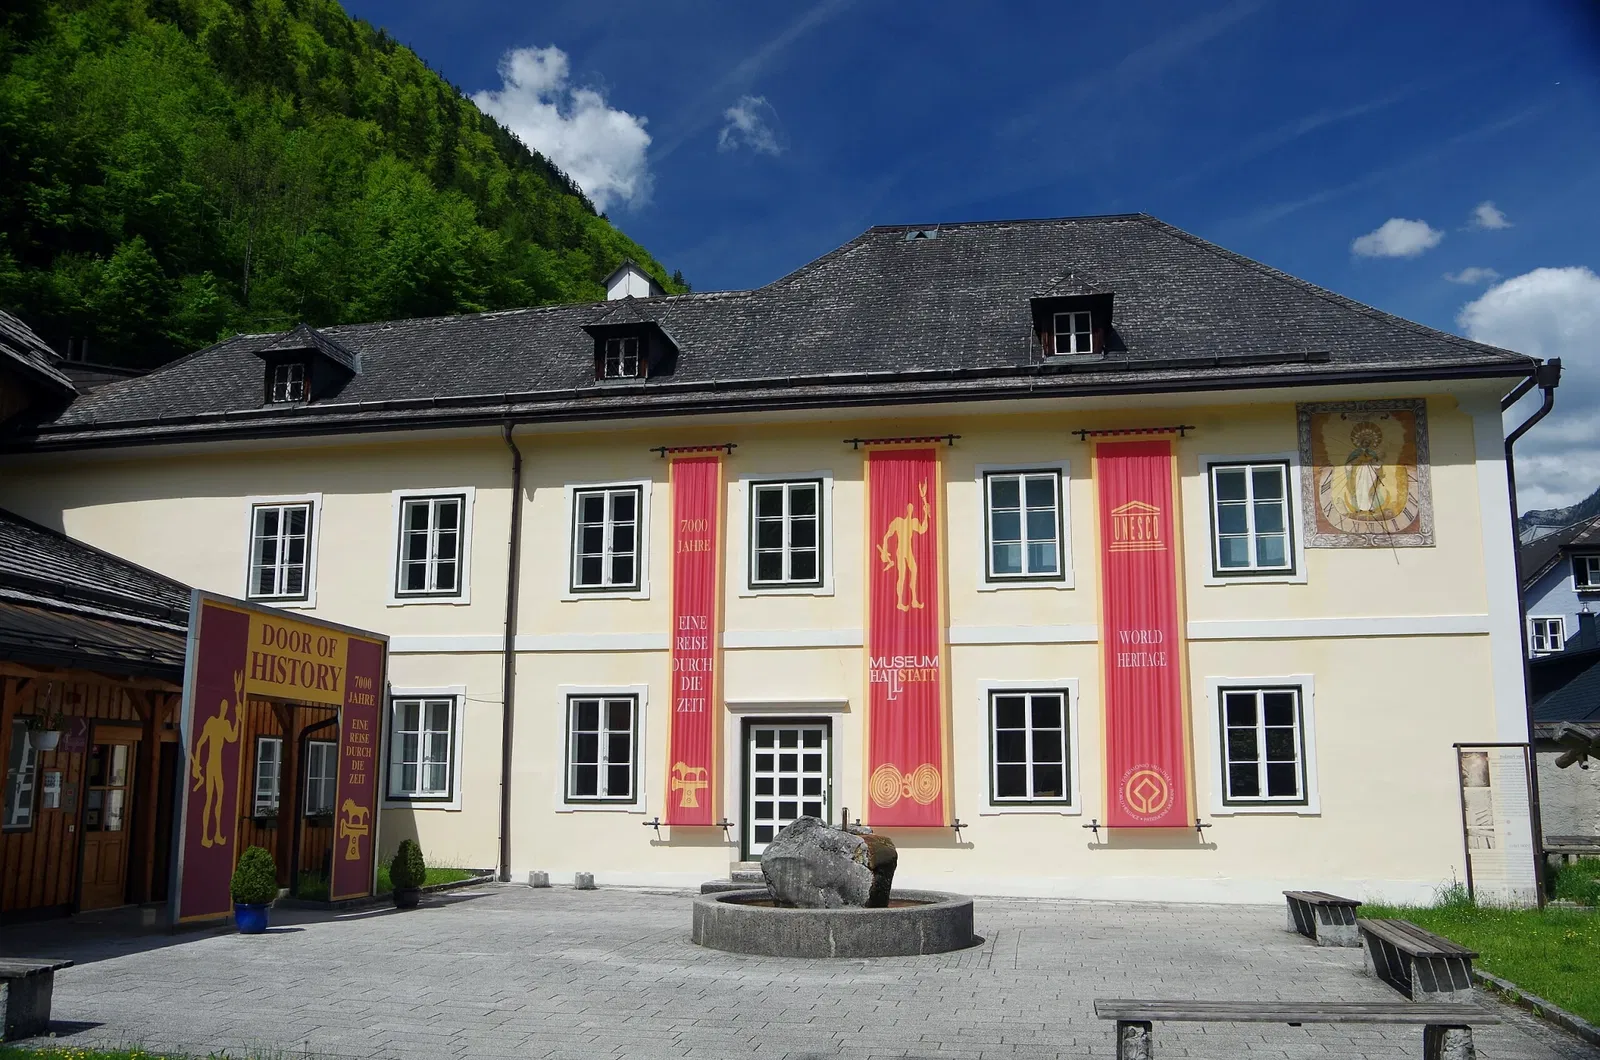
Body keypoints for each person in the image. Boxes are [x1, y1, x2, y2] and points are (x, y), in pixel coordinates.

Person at [191, 670, 243, 849]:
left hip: (218, 764)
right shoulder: (211, 722)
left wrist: (237, 717)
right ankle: (206, 835)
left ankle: (218, 833)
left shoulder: (225, 724)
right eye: (222, 705)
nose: (223, 708)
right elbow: (200, 743)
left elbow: (233, 737)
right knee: (209, 799)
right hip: (210, 764)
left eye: (226, 706)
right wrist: (197, 763)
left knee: (219, 799)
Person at [878, 481, 930, 612]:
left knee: (915, 571)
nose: (911, 509)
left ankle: (913, 600)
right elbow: (886, 536)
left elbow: (923, 529)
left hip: (909, 551)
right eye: (909, 507)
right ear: (906, 509)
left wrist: (926, 515)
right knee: (902, 575)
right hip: (900, 551)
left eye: (912, 508)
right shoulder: (898, 521)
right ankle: (900, 602)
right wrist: (884, 551)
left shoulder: (913, 522)